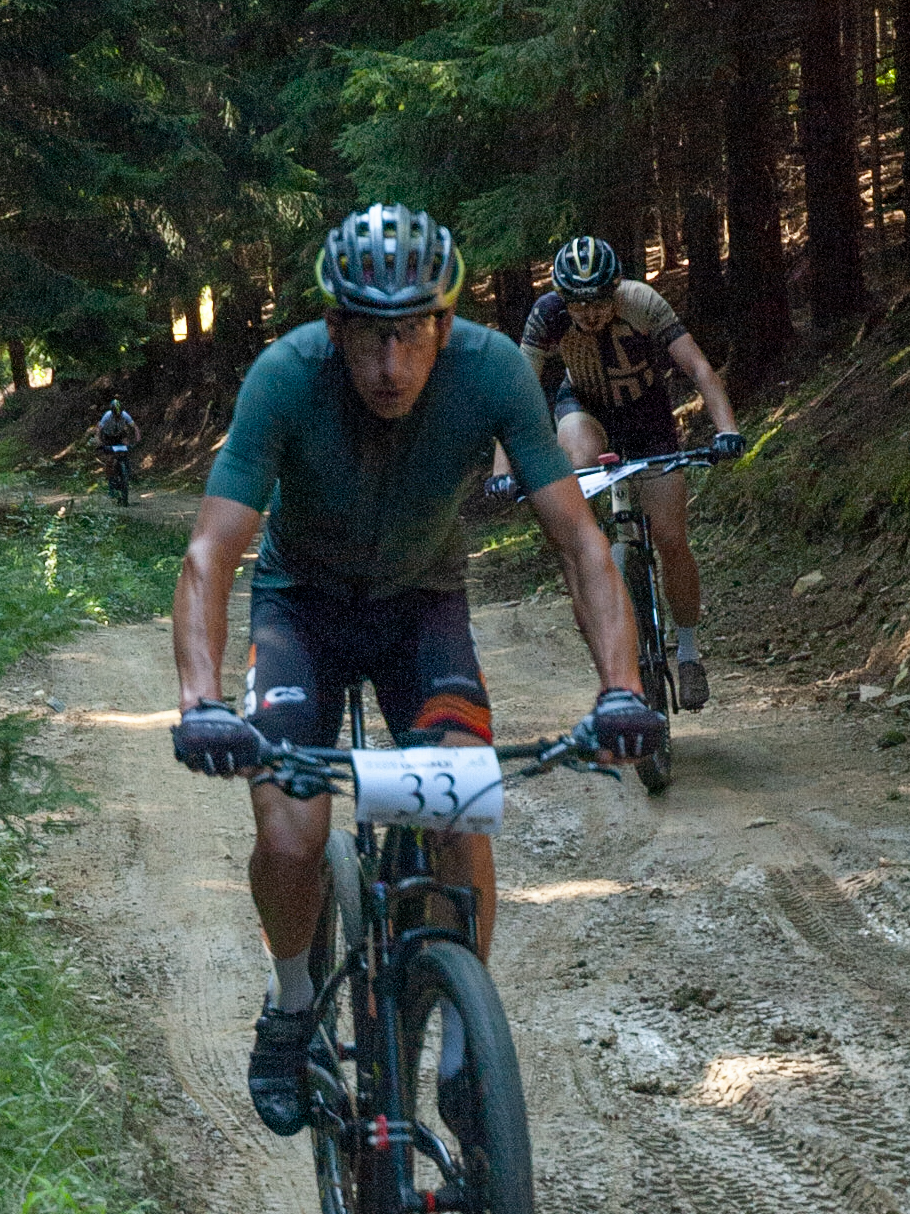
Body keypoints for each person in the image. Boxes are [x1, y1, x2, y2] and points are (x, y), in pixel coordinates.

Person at [168, 200, 665, 1137]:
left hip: (420, 611)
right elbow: (209, 555)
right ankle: (290, 1004)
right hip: (301, 611)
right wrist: (200, 702)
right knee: (291, 837)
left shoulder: (492, 372)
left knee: (458, 810)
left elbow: (579, 544)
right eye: (369, 336)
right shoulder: (285, 376)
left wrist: (622, 689)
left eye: (412, 335)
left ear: (445, 323)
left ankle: (467, 1039)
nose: (390, 366)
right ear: (334, 327)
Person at [513, 235, 743, 711]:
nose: (588, 313)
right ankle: (596, 549)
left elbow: (699, 368)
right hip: (585, 407)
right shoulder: (548, 314)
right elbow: (514, 395)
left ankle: (688, 652)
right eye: (577, 303)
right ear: (561, 298)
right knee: (577, 454)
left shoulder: (642, 302)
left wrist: (727, 430)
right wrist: (503, 470)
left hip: (646, 415)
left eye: (598, 300)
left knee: (671, 539)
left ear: (615, 290)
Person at [95, 393, 140, 483]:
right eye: (115, 415)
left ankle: (129, 470)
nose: (117, 417)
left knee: (126, 447)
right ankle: (110, 479)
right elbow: (99, 429)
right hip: (108, 436)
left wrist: (138, 437)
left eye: (119, 415)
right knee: (110, 458)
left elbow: (135, 426)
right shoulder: (107, 415)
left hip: (120, 434)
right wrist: (98, 440)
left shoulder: (125, 415)